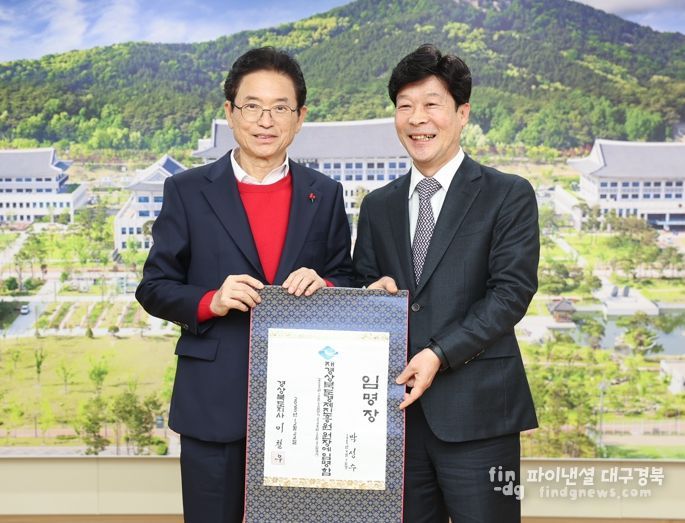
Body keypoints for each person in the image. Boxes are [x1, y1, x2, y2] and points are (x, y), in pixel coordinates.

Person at [136, 47, 353, 523]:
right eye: (252, 106)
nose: (265, 120)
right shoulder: (187, 191)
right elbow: (154, 286)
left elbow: (347, 276)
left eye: (280, 108)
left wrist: (324, 281)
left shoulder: (324, 193)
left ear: (300, 118)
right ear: (230, 112)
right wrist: (211, 300)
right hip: (213, 398)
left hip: (303, 402)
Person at [353, 44, 539, 522]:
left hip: (481, 415)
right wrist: (369, 297)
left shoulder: (508, 194)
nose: (417, 119)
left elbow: (510, 293)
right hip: (395, 417)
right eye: (405, 106)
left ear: (462, 113)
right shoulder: (378, 205)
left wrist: (438, 353)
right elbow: (365, 283)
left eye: (432, 104)